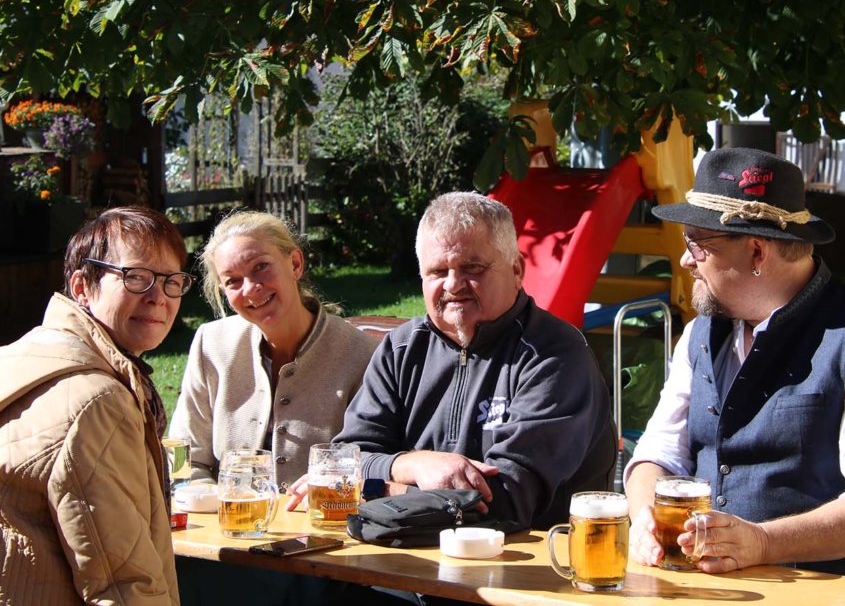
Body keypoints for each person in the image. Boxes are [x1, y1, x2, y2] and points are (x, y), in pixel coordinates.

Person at [289, 191, 617, 531]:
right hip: (396, 559)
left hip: (523, 569)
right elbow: (347, 459)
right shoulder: (401, 349)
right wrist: (416, 466)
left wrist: (377, 487)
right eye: (437, 271)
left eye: (472, 267)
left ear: (516, 269)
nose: (453, 284)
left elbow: (504, 502)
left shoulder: (554, 355)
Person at [625, 146, 845, 575]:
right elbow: (658, 453)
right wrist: (644, 516)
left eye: (697, 243)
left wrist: (763, 542)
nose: (686, 258)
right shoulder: (699, 334)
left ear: (757, 253)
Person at [0, 206, 190, 604]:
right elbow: (124, 582)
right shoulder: (97, 402)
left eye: (172, 281)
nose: (158, 297)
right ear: (83, 287)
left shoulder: (19, 359)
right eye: (136, 277)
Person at [169, 210, 379, 487]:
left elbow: (375, 461)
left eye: (260, 267)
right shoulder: (212, 343)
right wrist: (201, 496)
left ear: (295, 264)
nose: (251, 289)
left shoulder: (361, 355)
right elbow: (181, 456)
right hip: (226, 522)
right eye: (232, 281)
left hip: (323, 522)